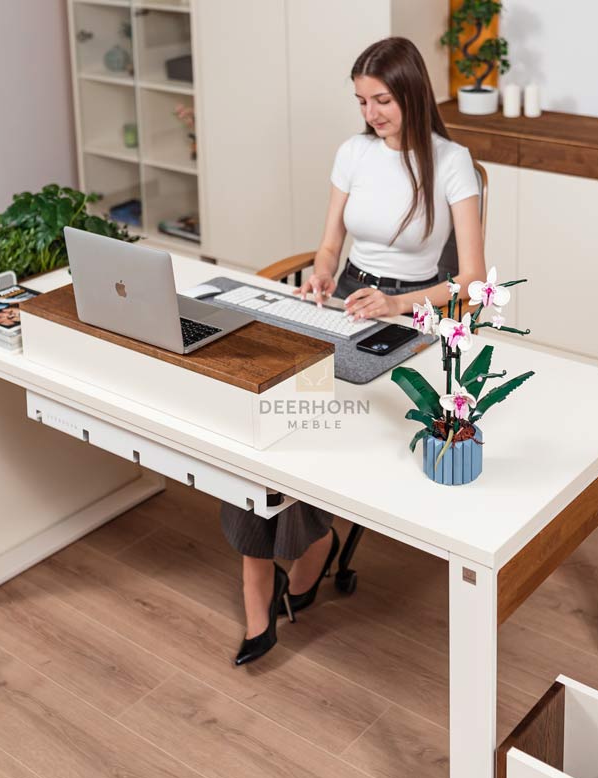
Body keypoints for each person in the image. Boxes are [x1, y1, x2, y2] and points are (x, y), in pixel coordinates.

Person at [222, 36, 487, 666]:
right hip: (346, 301)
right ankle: (260, 592)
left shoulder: (453, 163)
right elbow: (328, 247)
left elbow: (474, 286)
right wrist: (319, 274)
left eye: (383, 100)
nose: (371, 113)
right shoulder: (352, 153)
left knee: (324, 426)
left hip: (411, 315)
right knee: (271, 415)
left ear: (413, 94)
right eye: (362, 101)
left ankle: (312, 552)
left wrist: (398, 305)